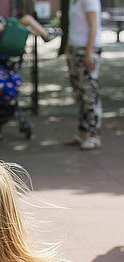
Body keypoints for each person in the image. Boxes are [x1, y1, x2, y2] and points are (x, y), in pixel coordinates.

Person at [63, 0, 102, 150]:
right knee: (79, 93)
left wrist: (88, 53)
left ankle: (94, 135)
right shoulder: (74, 1)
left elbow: (94, 26)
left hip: (86, 51)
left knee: (89, 93)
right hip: (75, 50)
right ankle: (83, 132)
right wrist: (68, 46)